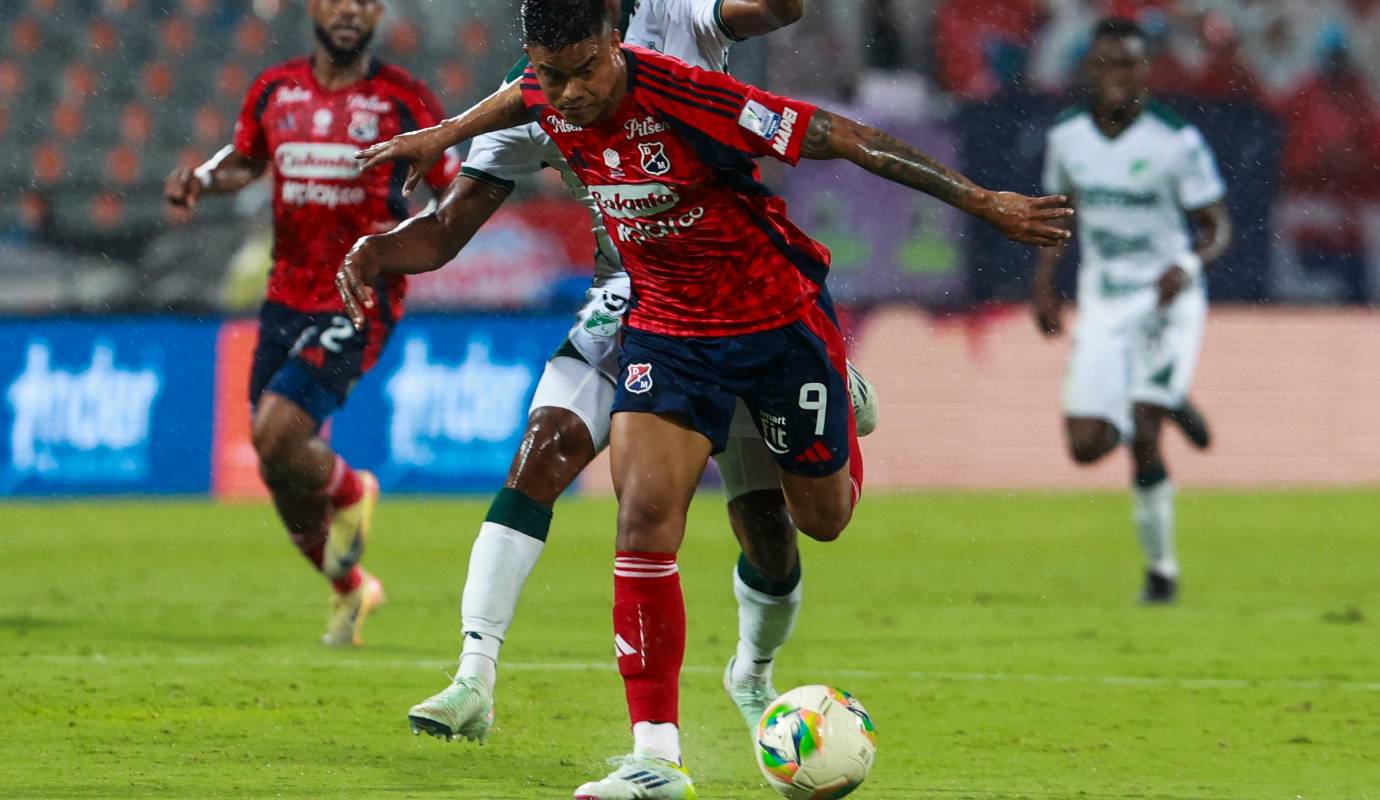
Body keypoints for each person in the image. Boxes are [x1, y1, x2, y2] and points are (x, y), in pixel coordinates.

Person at [347, 1, 1070, 795]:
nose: (567, 93)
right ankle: (655, 757)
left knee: (820, 521)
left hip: (775, 322)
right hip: (665, 329)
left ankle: (839, 392)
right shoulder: (544, 90)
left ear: (613, 45)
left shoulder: (688, 95)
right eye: (551, 75)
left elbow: (846, 137)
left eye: (583, 70)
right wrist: (439, 137)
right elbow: (518, 95)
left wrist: (984, 202)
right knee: (643, 518)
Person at [337, 0, 850, 746]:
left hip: (735, 298)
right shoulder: (534, 87)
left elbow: (775, 10)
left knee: (770, 531)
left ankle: (753, 669)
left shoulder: (685, 17)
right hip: (631, 303)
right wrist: (378, 249)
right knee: (540, 454)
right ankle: (473, 676)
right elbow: (448, 229)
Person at [164, 0, 457, 647]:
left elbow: (454, 189)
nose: (350, 9)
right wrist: (203, 181)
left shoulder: (404, 100)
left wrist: (409, 246)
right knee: (276, 464)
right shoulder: (275, 88)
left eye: (364, 1)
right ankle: (352, 590)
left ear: (379, 14)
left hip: (359, 293)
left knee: (277, 430)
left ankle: (353, 490)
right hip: (285, 294)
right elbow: (245, 159)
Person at [1032, 18, 1232, 605]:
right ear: (1089, 69)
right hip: (1104, 302)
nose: (1116, 75)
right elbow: (1058, 216)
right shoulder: (1068, 136)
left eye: (1128, 64)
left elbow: (1218, 227)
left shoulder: (1176, 141)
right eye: (1105, 64)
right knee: (1085, 445)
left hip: (1165, 301)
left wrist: (1188, 266)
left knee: (1143, 433)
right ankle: (1170, 402)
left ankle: (1161, 573)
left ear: (1146, 71)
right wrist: (1044, 286)